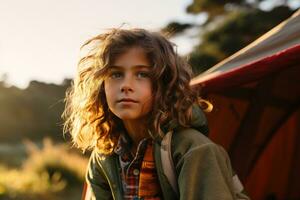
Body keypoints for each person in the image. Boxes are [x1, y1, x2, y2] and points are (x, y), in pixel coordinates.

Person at [62, 28, 249, 200]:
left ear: (163, 84)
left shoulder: (196, 150)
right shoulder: (103, 156)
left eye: (142, 74)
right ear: (102, 86)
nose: (126, 85)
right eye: (116, 74)